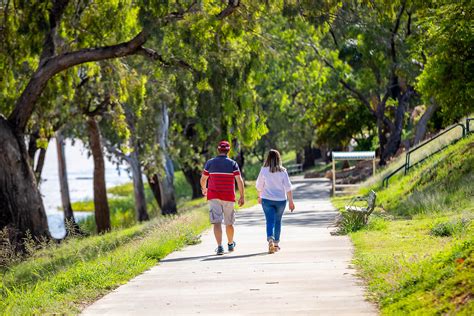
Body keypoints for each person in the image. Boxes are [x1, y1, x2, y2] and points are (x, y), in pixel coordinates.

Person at [200, 141, 245, 255]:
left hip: (214, 196)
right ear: (228, 151)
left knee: (217, 222)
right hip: (228, 196)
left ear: (218, 150)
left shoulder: (210, 163)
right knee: (229, 223)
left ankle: (220, 247)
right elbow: (239, 180)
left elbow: (203, 179)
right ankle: (230, 244)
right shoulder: (233, 164)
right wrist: (242, 196)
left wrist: (204, 189)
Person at [256, 149, 295, 254]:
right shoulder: (283, 171)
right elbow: (288, 187)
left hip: (267, 200)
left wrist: (259, 196)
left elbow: (259, 185)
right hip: (280, 201)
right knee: (277, 221)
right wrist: (291, 202)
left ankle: (270, 239)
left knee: (269, 220)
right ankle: (276, 244)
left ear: (268, 158)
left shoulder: (264, 170)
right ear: (278, 158)